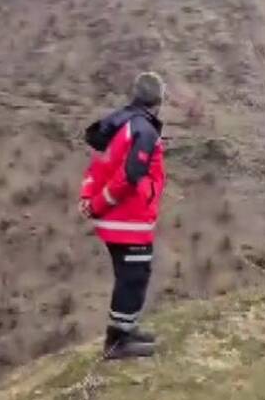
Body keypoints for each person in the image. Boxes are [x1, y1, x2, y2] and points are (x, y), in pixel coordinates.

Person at [78, 72, 167, 360]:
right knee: (134, 277)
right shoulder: (144, 130)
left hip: (117, 218)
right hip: (127, 219)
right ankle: (118, 342)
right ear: (158, 101)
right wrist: (97, 205)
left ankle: (124, 331)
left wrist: (88, 197)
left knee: (130, 276)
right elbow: (130, 176)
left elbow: (98, 165)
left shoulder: (120, 123)